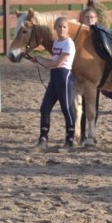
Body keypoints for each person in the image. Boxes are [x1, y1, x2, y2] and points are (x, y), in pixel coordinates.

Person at [30, 16, 76, 152]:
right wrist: (39, 59)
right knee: (44, 108)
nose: (61, 29)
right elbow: (53, 62)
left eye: (64, 27)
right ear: (55, 28)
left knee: (66, 109)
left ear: (67, 29)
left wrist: (41, 60)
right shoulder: (56, 43)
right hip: (55, 77)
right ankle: (43, 140)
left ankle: (70, 141)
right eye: (59, 26)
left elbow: (57, 63)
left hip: (64, 76)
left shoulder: (68, 43)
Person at [79, 6, 101, 141]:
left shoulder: (99, 36)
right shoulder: (78, 36)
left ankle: (92, 132)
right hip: (80, 75)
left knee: (93, 103)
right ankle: (81, 133)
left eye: (92, 17)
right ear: (82, 19)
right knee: (81, 105)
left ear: (97, 19)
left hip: (93, 75)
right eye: (87, 17)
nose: (89, 20)